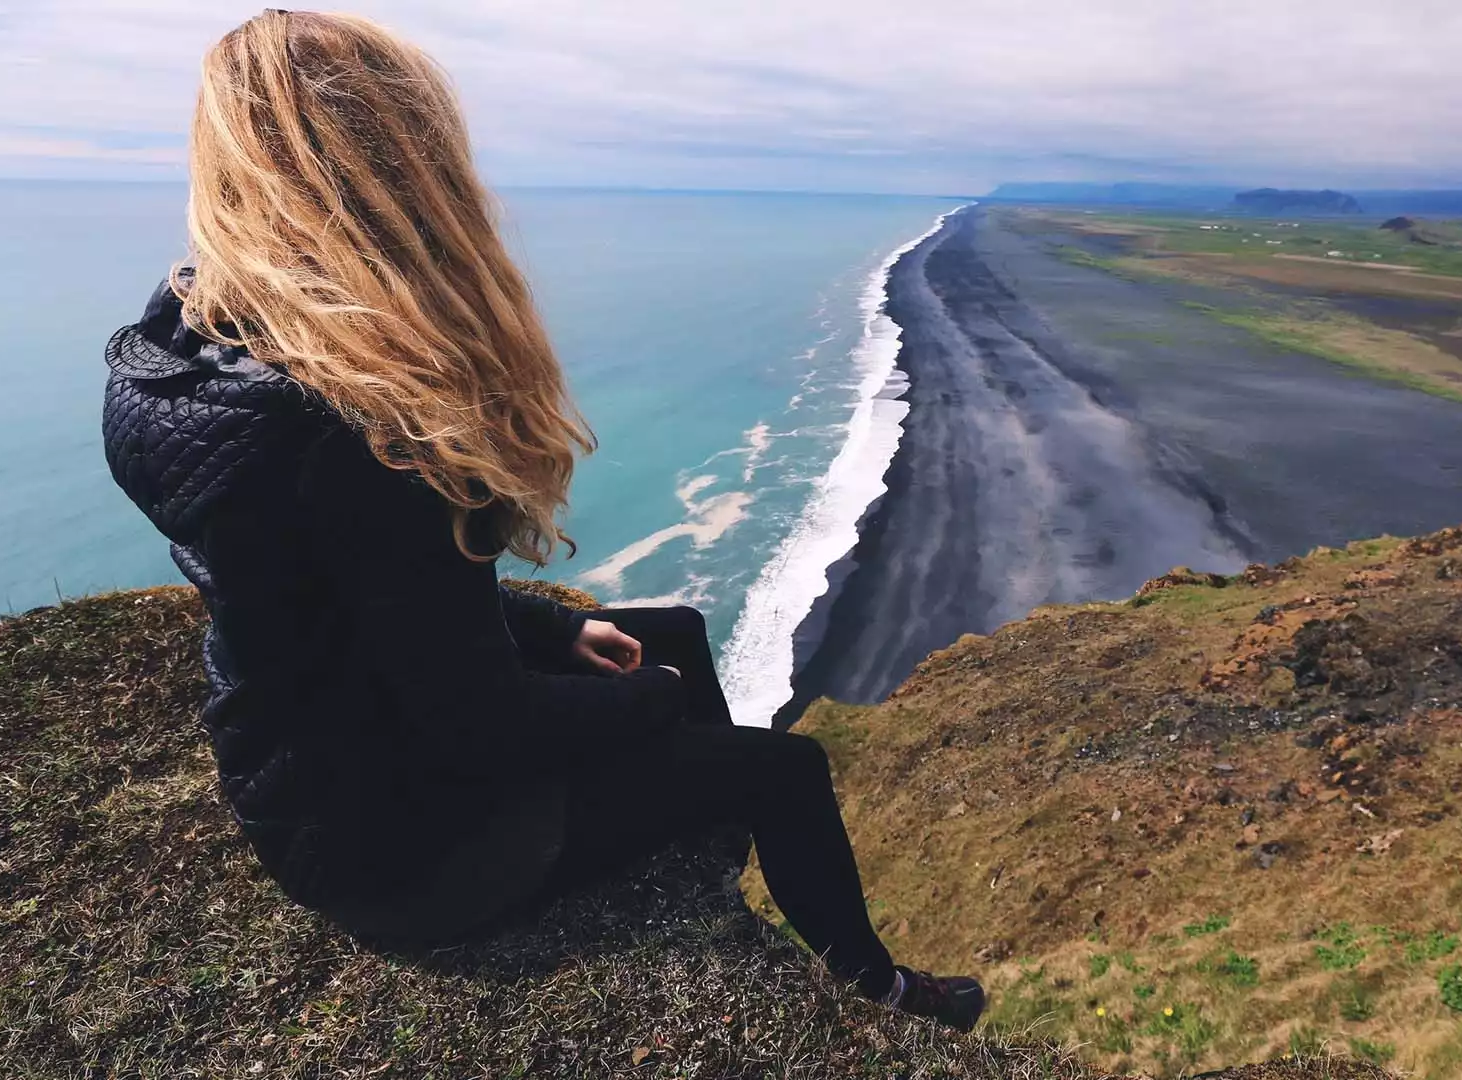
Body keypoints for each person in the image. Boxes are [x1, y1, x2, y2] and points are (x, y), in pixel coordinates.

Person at [100, 9, 982, 1032]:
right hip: (413, 853)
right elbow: (482, 727)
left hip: (303, 777)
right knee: (787, 767)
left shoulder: (192, 363)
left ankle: (701, 832)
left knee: (681, 631)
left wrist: (560, 629)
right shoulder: (357, 427)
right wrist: (651, 704)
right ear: (411, 176)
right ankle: (879, 989)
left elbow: (357, 594)